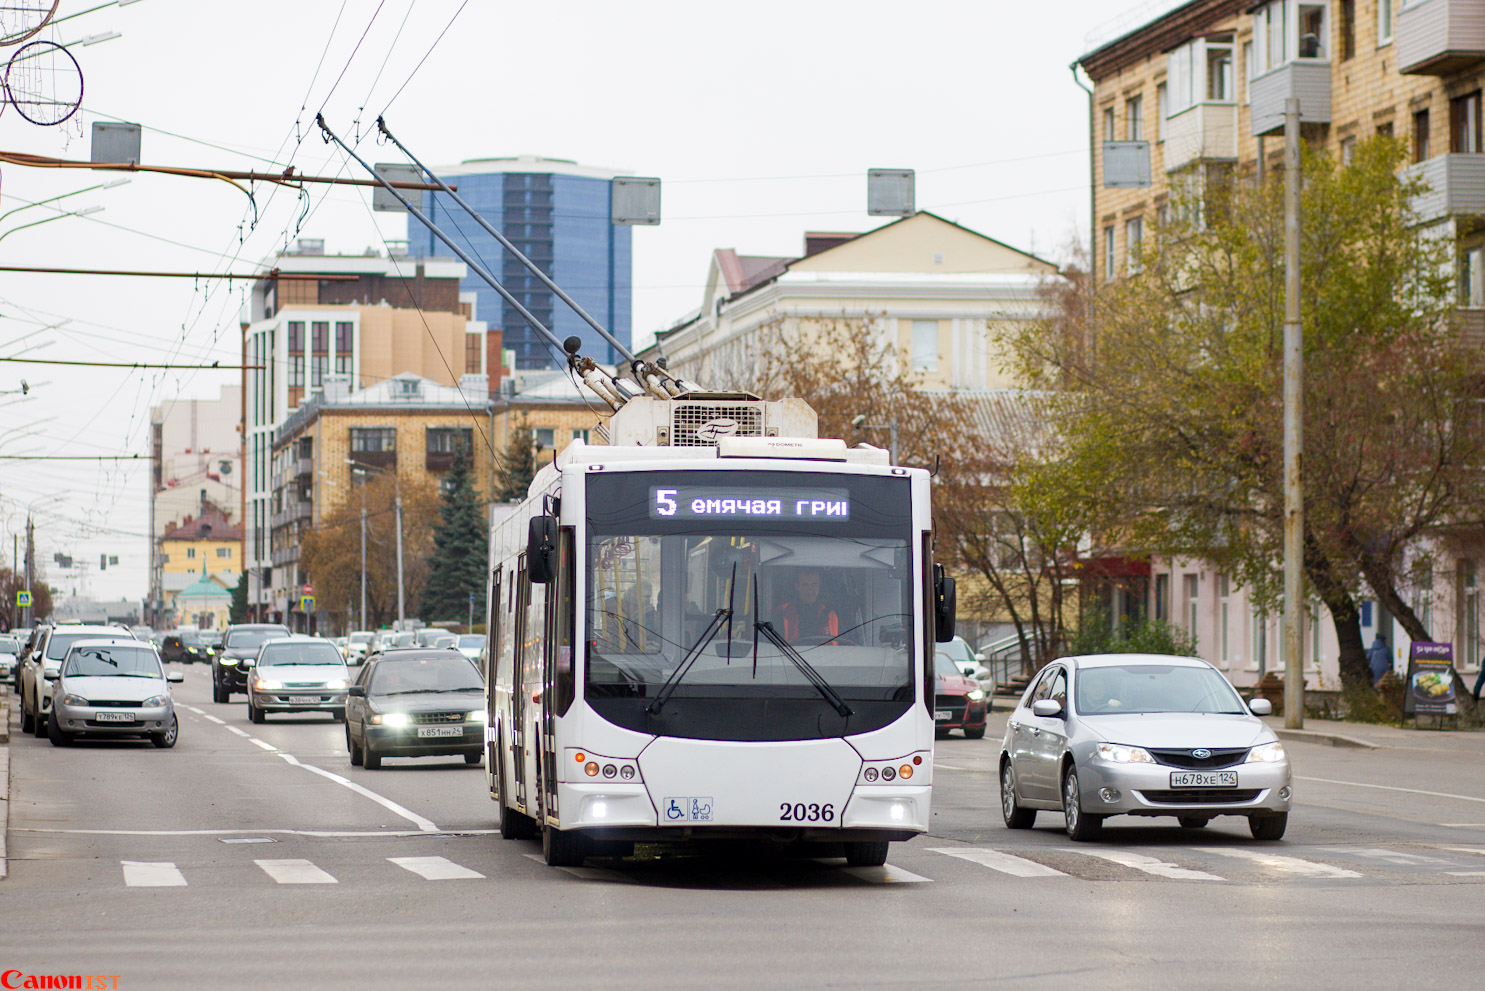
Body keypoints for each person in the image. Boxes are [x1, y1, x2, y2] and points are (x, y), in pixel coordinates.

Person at [780, 569, 839, 643]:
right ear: (797, 586)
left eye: (814, 584)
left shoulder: (830, 614)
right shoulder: (784, 612)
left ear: (819, 585)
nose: (810, 590)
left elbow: (833, 647)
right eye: (805, 585)